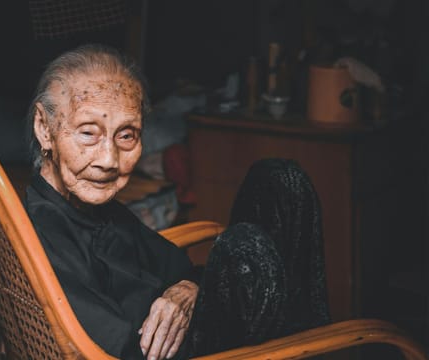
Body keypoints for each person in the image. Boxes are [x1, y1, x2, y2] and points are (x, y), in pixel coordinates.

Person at [23, 44, 330, 360]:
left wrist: (185, 293)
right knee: (245, 247)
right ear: (45, 129)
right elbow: (119, 351)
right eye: (89, 133)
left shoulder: (97, 209)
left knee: (279, 179)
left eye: (126, 136)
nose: (109, 160)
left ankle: (304, 337)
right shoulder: (44, 235)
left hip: (197, 328)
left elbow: (182, 271)